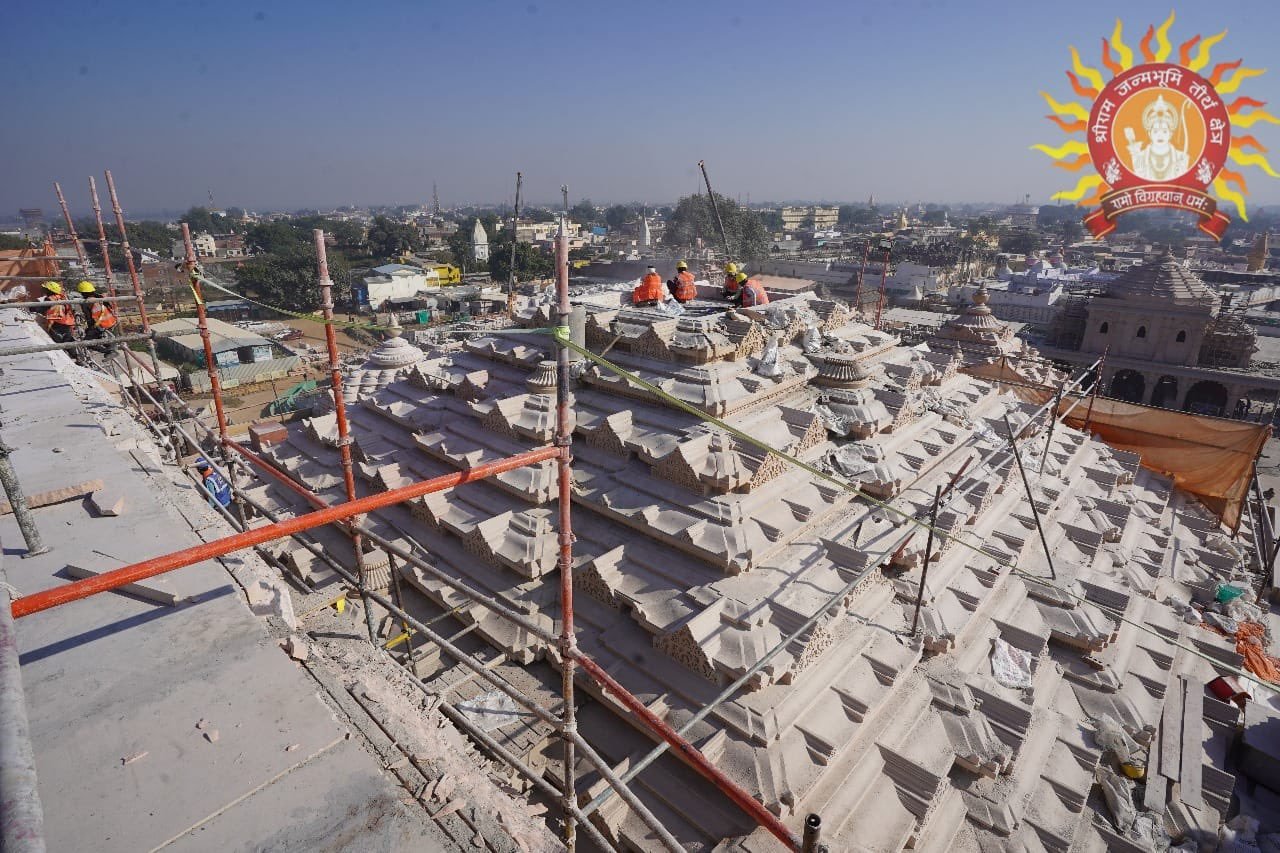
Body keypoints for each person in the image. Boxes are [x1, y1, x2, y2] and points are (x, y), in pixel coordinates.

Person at [1124, 94, 1190, 182]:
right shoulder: (1140, 157)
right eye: (1155, 131)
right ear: (1149, 134)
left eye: (1164, 131)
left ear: (1170, 134)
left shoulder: (1181, 157)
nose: (1160, 135)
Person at [75, 280, 118, 352]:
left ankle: (109, 350)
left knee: (87, 342)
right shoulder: (100, 297)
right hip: (110, 322)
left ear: (83, 293)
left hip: (100, 325)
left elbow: (89, 319)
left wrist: (90, 328)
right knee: (94, 335)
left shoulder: (87, 302)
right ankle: (110, 346)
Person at [38, 280, 79, 345]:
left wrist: (29, 307)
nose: (44, 290)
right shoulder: (62, 297)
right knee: (68, 343)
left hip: (57, 324)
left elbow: (40, 309)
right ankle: (74, 354)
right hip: (67, 323)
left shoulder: (50, 299)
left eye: (46, 289)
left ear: (50, 290)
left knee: (60, 343)